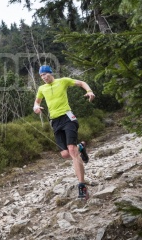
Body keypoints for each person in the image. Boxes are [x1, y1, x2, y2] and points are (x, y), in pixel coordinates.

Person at [33, 65, 95, 200]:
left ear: (50, 73)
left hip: (68, 118)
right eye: (41, 76)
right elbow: (36, 102)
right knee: (65, 154)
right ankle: (81, 147)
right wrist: (36, 107)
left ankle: (82, 187)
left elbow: (81, 83)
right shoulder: (41, 88)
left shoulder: (63, 81)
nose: (44, 77)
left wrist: (89, 91)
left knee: (72, 152)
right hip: (55, 122)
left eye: (45, 74)